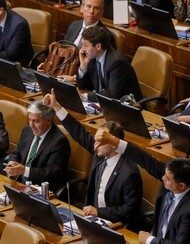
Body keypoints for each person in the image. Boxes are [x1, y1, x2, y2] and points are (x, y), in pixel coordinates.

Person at [94, 129, 190, 244]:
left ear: (181, 186)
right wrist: (115, 141)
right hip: (157, 243)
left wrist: (149, 240)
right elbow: (144, 159)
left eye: (167, 179)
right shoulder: (172, 176)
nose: (163, 178)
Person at [43, 90, 143, 230]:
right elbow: (78, 131)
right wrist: (56, 107)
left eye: (99, 141)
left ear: (113, 142)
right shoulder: (100, 153)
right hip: (92, 219)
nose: (94, 146)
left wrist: (99, 212)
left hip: (116, 226)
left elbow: (129, 211)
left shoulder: (129, 172)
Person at [3, 101, 70, 192]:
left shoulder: (59, 142)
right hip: (19, 184)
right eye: (30, 120)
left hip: (41, 190)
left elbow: (51, 173)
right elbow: (17, 152)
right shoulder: (27, 130)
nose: (31, 125)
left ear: (49, 120)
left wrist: (23, 171)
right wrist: (12, 163)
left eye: (36, 121)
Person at [77, 26, 142, 101]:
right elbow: (82, 85)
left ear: (98, 46)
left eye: (86, 45)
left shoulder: (117, 62)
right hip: (103, 103)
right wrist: (83, 66)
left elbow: (113, 95)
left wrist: (86, 96)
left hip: (126, 107)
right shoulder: (92, 57)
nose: (82, 49)